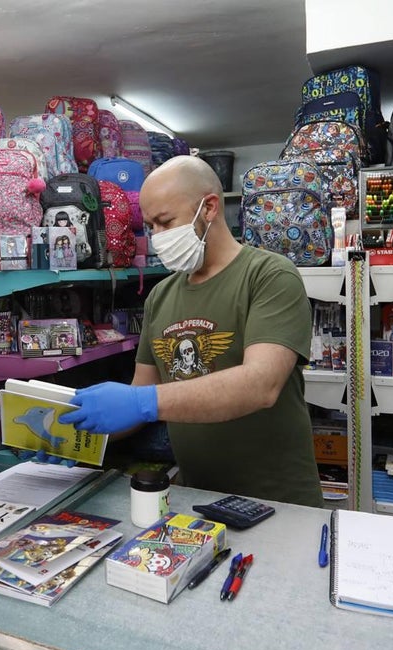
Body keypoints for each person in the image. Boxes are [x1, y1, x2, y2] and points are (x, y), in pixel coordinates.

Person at [61, 156, 322, 507]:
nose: (156, 238)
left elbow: (262, 385)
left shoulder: (270, 276)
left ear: (209, 207)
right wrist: (73, 437)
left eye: (166, 222)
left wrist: (143, 403)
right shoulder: (160, 297)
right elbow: (139, 398)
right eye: (150, 226)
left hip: (277, 500)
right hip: (197, 497)